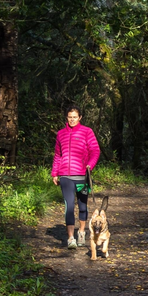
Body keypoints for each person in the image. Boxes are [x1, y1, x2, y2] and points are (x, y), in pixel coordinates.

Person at [51, 105, 100, 249]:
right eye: (69, 117)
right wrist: (55, 173)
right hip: (65, 175)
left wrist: (90, 165)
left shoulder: (87, 132)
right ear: (66, 118)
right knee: (69, 206)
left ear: (80, 118)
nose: (72, 120)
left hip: (82, 176)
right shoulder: (61, 134)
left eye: (75, 117)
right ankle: (71, 238)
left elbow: (95, 151)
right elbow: (57, 155)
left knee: (83, 206)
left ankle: (81, 232)